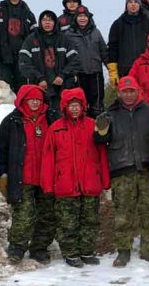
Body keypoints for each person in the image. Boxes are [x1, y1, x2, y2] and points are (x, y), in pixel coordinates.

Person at [94, 75, 149, 267]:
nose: (128, 95)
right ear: (119, 93)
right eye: (124, 91)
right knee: (123, 214)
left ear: (138, 92)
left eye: (131, 91)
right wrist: (100, 130)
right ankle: (123, 251)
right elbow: (100, 141)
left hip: (147, 170)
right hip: (121, 170)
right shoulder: (110, 114)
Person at [41, 88, 110, 267]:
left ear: (83, 106)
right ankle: (70, 253)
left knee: (90, 220)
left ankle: (86, 251)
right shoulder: (55, 128)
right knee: (68, 221)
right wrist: (48, 184)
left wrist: (105, 178)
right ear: (65, 107)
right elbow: (48, 158)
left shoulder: (92, 125)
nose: (74, 109)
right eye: (71, 105)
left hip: (90, 182)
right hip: (66, 183)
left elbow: (102, 153)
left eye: (77, 105)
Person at [0, 84, 58, 264]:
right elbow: (1, 150)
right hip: (21, 176)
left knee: (47, 214)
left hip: (47, 176)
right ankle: (17, 248)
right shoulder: (11, 121)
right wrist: (3, 173)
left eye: (38, 100)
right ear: (23, 100)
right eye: (31, 100)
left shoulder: (52, 118)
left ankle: (39, 248)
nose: (34, 103)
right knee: (23, 215)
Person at [19, 10, 80, 114]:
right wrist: (39, 77)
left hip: (62, 88)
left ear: (55, 22)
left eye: (50, 20)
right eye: (45, 20)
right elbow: (24, 63)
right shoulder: (31, 39)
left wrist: (62, 75)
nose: (47, 23)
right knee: (41, 117)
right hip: (39, 89)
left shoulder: (64, 39)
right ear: (40, 22)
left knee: (61, 117)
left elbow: (75, 61)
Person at [0, 0, 37, 92]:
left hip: (23, 58)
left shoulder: (28, 14)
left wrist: (34, 55)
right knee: (6, 88)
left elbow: (35, 36)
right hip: (4, 58)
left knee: (22, 87)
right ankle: (7, 108)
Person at [68, 5, 108, 116]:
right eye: (80, 16)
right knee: (80, 105)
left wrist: (111, 69)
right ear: (75, 18)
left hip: (96, 74)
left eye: (85, 16)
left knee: (97, 106)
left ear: (89, 18)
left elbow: (104, 52)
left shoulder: (96, 32)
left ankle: (97, 131)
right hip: (79, 75)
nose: (82, 18)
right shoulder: (69, 34)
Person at [107, 0, 149, 83]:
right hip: (124, 70)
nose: (133, 4)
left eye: (136, 2)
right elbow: (112, 48)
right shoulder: (117, 24)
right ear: (126, 5)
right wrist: (113, 72)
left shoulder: (148, 23)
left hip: (145, 68)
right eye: (130, 2)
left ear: (140, 5)